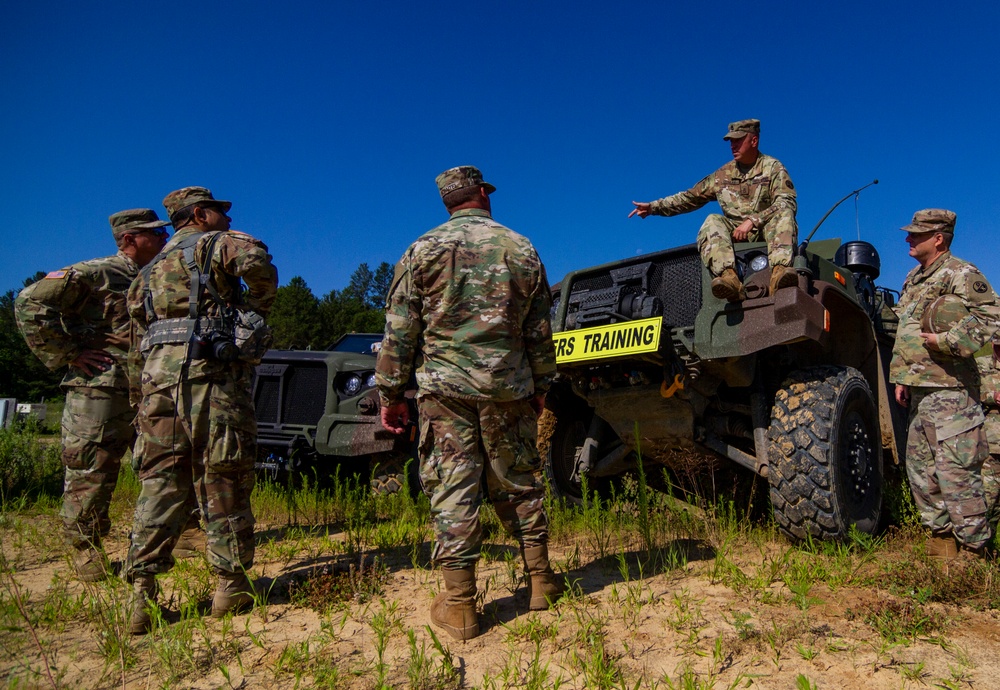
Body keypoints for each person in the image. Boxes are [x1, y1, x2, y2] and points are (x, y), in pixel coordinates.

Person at [376, 165, 563, 641]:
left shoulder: (421, 250)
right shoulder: (521, 247)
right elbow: (540, 329)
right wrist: (542, 384)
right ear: (482, 194)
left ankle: (460, 607)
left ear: (447, 201)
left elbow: (400, 330)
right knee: (519, 481)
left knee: (454, 488)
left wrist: (391, 394)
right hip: (509, 386)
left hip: (446, 390)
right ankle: (540, 582)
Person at [123, 187, 278, 634]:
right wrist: (253, 312)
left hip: (157, 383)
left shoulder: (148, 270)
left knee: (160, 481)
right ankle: (231, 586)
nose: (228, 220)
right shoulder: (215, 244)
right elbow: (256, 264)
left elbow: (138, 323)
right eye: (220, 212)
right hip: (209, 375)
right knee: (223, 475)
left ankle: (142, 594)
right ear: (199, 213)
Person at [14, 209, 169, 581]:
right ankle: (86, 549)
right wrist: (67, 353)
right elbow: (29, 302)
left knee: (161, 463)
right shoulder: (95, 272)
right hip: (99, 388)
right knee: (91, 468)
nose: (163, 238)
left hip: (148, 387)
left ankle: (174, 536)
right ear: (129, 239)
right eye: (154, 233)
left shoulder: (158, 277)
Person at [890, 209, 1000, 560]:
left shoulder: (961, 273)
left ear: (939, 238)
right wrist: (903, 377)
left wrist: (948, 342)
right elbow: (905, 331)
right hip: (920, 391)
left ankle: (974, 552)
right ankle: (940, 548)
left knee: (957, 474)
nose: (908, 238)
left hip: (951, 391)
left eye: (916, 234)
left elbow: (990, 317)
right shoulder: (913, 278)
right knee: (921, 472)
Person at [628, 118, 798, 301]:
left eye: (738, 140)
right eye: (731, 141)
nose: (733, 145)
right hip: (733, 234)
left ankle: (780, 274)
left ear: (754, 141)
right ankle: (729, 278)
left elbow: (786, 201)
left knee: (784, 213)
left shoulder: (773, 167)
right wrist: (654, 207)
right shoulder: (722, 175)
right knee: (712, 220)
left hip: (767, 231)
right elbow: (690, 197)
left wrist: (753, 221)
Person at [976, 341, 1000, 524]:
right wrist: (991, 396)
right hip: (991, 445)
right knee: (988, 501)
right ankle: (982, 548)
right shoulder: (979, 365)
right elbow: (967, 392)